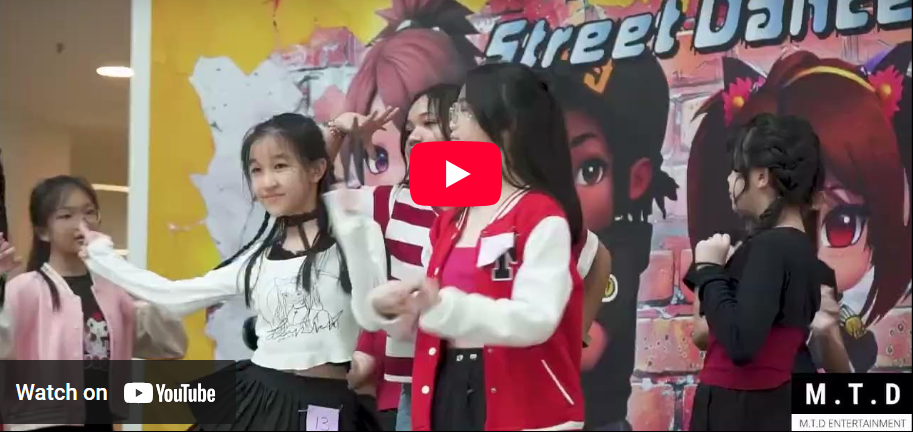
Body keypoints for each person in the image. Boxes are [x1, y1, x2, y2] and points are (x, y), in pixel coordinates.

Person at [80, 113, 390, 430]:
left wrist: (351, 232)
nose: (267, 182)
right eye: (257, 170)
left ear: (316, 169)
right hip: (259, 399)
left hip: (325, 406)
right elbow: (174, 298)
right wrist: (103, 257)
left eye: (280, 166)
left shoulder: (356, 230)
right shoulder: (257, 259)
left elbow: (371, 317)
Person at [329, 83, 610, 431]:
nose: (414, 136)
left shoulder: (531, 209)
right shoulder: (407, 203)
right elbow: (312, 193)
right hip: (427, 386)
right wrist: (337, 130)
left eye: (431, 122)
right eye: (409, 128)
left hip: (512, 395)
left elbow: (594, 258)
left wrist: (567, 344)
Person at [688, 51, 911, 372]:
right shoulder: (730, 255)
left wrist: (827, 334)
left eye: (842, 224)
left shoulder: (810, 271)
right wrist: (712, 274)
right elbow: (705, 335)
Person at [0, 176, 188, 430]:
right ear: (43, 231)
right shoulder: (24, 290)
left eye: (89, 213)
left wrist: (133, 280)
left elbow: (170, 345)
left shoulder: (114, 290)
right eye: (66, 216)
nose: (82, 223)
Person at [684, 113, 828, 431]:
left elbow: (740, 341)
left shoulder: (771, 247)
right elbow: (714, 333)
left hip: (741, 412)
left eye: (737, 171)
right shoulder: (798, 249)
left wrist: (709, 269)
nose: (729, 180)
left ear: (761, 176)